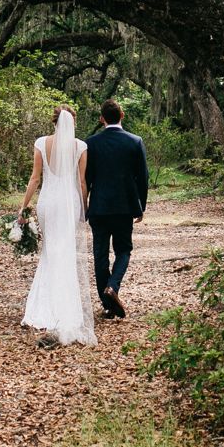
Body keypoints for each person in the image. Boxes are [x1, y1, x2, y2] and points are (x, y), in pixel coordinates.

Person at [17, 106, 95, 347]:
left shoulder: (41, 143)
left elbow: (35, 178)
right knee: (65, 252)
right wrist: (84, 209)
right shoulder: (80, 146)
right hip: (69, 203)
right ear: (72, 123)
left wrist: (24, 206)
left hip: (48, 203)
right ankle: (65, 306)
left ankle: (42, 306)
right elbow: (82, 183)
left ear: (54, 122)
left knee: (50, 252)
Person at [83, 99, 149, 319]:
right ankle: (113, 287)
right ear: (122, 115)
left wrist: (85, 204)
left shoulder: (90, 143)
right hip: (123, 207)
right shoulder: (135, 141)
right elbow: (143, 177)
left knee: (100, 255)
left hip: (99, 208)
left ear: (102, 118)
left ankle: (107, 304)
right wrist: (141, 205)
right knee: (123, 250)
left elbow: (86, 178)